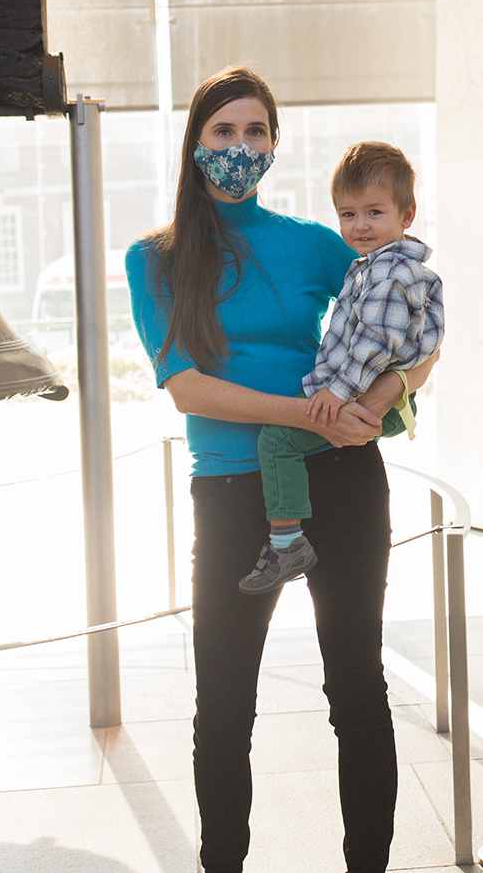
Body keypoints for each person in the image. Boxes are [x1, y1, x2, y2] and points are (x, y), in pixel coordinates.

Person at [125, 66, 437, 873]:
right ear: (196, 142)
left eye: (256, 132)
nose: (240, 147)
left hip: (340, 478)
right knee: (223, 709)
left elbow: (414, 332)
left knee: (358, 693)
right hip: (231, 493)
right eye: (224, 132)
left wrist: (386, 394)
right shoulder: (153, 259)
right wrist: (305, 415)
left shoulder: (317, 244)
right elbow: (186, 386)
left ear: (273, 143)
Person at [239, 141, 444, 595]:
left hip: (357, 395)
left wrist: (336, 392)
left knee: (276, 440)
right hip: (355, 391)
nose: (360, 226)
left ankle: (287, 540)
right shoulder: (374, 267)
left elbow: (375, 341)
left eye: (374, 212)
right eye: (348, 214)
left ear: (406, 215)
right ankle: (289, 536)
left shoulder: (390, 274)